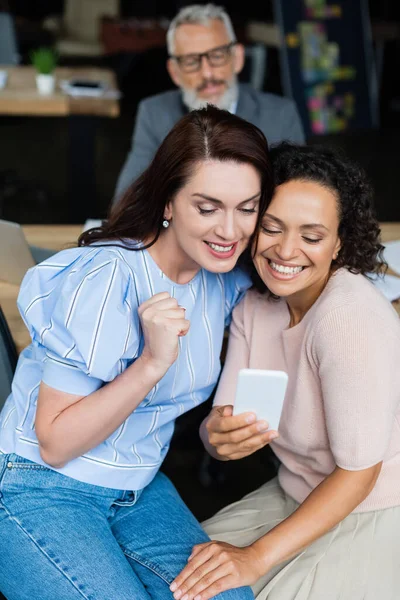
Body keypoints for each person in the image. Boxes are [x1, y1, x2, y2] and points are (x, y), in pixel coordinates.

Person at [0, 105, 275, 600]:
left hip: (139, 487)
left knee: (231, 597)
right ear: (167, 202)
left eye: (248, 208)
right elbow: (55, 442)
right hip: (41, 485)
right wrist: (151, 363)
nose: (231, 231)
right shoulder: (105, 278)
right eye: (207, 207)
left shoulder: (225, 277)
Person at [170, 143, 400, 600]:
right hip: (291, 492)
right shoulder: (255, 305)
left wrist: (255, 557)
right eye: (271, 228)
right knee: (173, 577)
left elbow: (359, 475)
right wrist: (216, 436)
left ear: (340, 242)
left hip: (375, 508)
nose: (286, 251)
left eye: (312, 237)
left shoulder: (347, 317)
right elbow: (225, 421)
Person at [114, 3, 305, 202]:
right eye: (191, 61)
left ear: (237, 58)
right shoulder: (154, 113)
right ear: (174, 72)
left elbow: (297, 201)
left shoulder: (280, 115)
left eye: (217, 56)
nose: (207, 73)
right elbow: (126, 200)